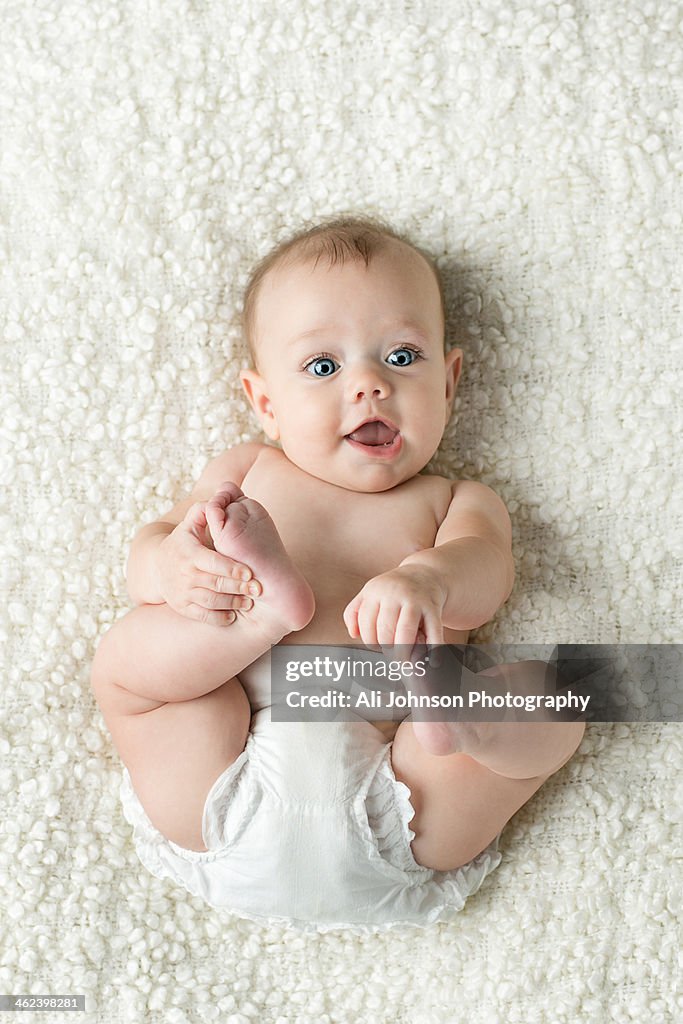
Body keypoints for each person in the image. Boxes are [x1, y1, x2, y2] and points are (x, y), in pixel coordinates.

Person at [90, 215, 584, 929]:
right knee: (131, 658)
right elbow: (153, 554)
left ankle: (459, 724)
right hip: (226, 774)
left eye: (403, 357)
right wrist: (173, 565)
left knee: (557, 697)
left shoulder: (454, 500)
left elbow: (487, 576)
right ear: (264, 403)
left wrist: (432, 580)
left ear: (449, 383)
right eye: (323, 367)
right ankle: (261, 618)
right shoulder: (245, 472)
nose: (369, 386)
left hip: (398, 794)